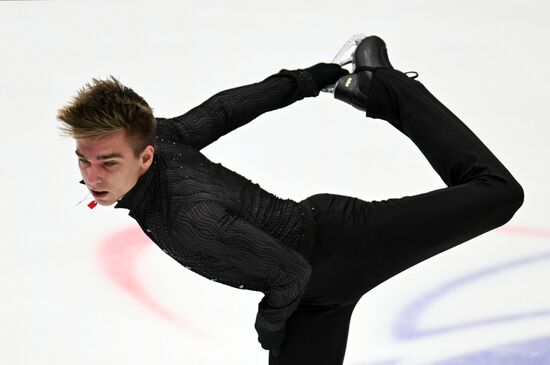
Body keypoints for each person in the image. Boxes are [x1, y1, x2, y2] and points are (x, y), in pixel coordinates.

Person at [56, 35, 524, 365]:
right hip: (309, 291)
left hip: (344, 246)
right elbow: (225, 109)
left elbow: (289, 274)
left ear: (145, 155)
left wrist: (270, 331)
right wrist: (304, 80)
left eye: (108, 163)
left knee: (499, 194)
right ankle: (367, 86)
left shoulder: (188, 216)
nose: (92, 176)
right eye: (84, 159)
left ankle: (386, 86)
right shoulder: (167, 139)